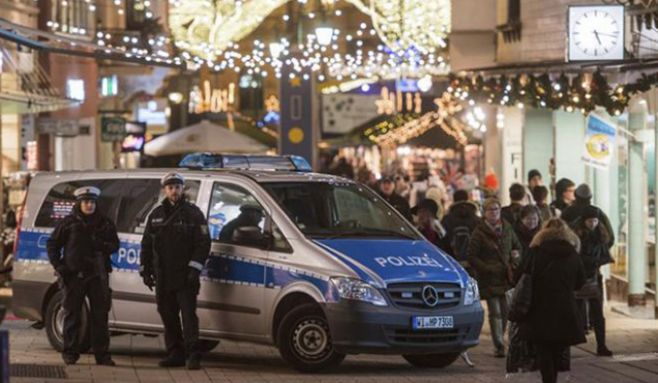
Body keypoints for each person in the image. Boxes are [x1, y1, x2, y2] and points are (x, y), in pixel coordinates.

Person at [140, 173, 211, 370]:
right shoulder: (155, 215)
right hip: (163, 275)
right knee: (167, 314)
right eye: (170, 187)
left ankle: (193, 354)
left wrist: (194, 268)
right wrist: (145, 269)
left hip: (185, 276)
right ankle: (175, 353)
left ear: (182, 189)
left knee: (188, 316)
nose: (174, 191)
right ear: (165, 190)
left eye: (177, 187)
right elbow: (146, 244)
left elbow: (204, 243)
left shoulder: (193, 214)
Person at [47, 186, 119, 366]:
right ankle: (70, 353)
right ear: (79, 203)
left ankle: (102, 355)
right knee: (72, 315)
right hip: (74, 276)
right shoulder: (69, 223)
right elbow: (52, 244)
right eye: (86, 202)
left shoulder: (105, 223)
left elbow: (115, 245)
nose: (89, 205)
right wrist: (59, 266)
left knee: (100, 317)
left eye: (92, 202)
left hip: (97, 275)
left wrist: (100, 244)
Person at [520, 218, 586, 383]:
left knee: (543, 348)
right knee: (559, 347)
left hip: (539, 307)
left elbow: (520, 276)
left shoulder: (535, 251)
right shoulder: (572, 253)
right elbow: (580, 281)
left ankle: (548, 379)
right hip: (565, 307)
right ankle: (556, 375)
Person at [466, 198, 522, 357]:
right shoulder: (479, 232)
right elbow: (472, 256)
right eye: (490, 210)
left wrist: (516, 257)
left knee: (505, 311)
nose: (494, 212)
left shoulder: (507, 228)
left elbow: (517, 246)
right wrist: (487, 269)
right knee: (495, 311)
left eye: (496, 209)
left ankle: (500, 339)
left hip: (505, 277)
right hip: (489, 278)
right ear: (484, 212)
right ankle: (498, 344)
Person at [573, 206, 614, 357]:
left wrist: (599, 261)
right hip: (578, 278)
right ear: (584, 221)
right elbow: (574, 256)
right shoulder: (576, 235)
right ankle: (567, 344)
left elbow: (605, 255)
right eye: (590, 220)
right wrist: (592, 260)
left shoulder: (601, 235)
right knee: (575, 312)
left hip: (594, 278)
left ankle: (601, 345)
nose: (593, 223)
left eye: (595, 220)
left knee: (598, 313)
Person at [562, 184, 615, 249]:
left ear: (575, 195)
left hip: (574, 254)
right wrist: (601, 251)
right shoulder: (598, 212)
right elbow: (611, 237)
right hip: (596, 256)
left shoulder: (567, 212)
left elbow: (561, 235)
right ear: (590, 197)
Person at [440, 189, 479, 267]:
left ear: (454, 200)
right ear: (467, 199)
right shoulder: (476, 219)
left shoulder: (447, 219)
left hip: (452, 261)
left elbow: (442, 239)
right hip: (472, 261)